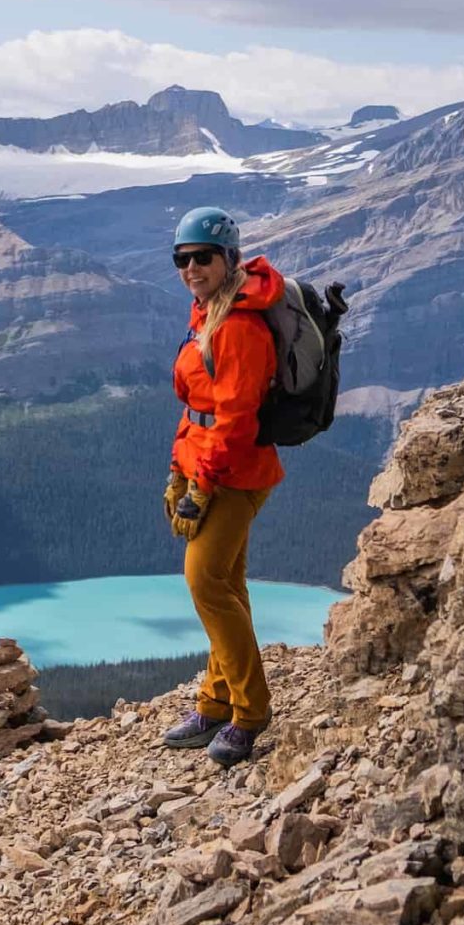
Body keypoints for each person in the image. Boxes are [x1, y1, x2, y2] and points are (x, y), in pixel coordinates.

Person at [160, 204, 286, 767]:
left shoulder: (238, 327)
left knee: (205, 580)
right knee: (227, 586)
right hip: (206, 467)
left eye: (202, 257)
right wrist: (176, 470)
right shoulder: (206, 314)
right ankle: (214, 701)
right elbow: (197, 408)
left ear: (229, 259)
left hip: (236, 474)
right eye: (182, 259)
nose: (191, 267)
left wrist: (201, 488)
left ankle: (249, 713)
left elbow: (235, 423)